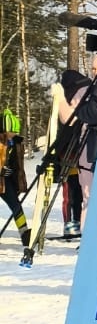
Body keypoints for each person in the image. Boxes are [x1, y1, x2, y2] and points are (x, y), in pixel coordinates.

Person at [1, 104, 31, 252]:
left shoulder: (14, 142)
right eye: (11, 132)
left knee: (16, 205)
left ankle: (25, 233)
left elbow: (16, 162)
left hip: (5, 181)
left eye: (14, 132)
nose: (13, 134)